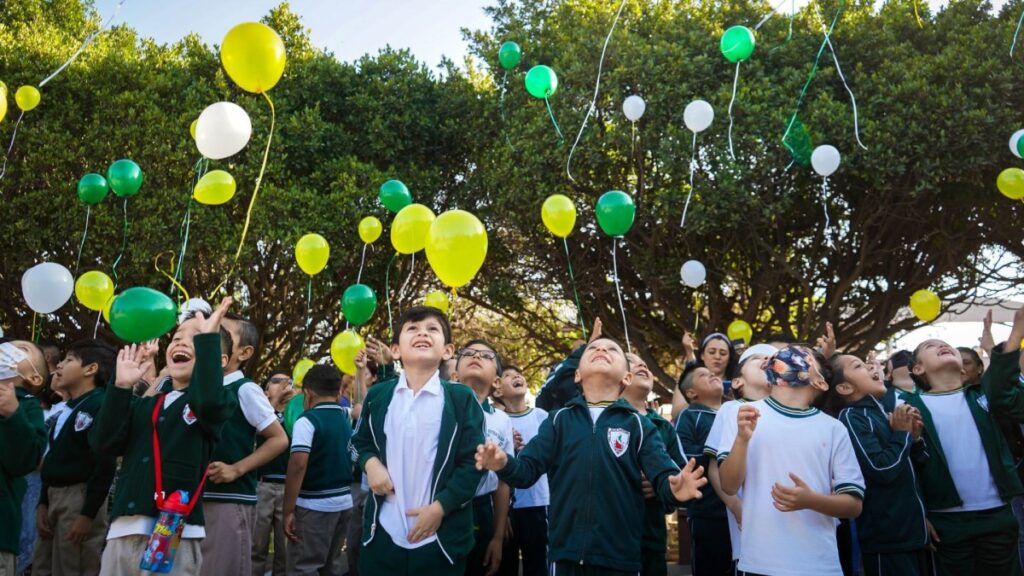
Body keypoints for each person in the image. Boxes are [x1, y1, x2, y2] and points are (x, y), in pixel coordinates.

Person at [475, 336, 707, 575]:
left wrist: (675, 489)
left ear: (626, 378)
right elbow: (526, 471)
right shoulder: (558, 420)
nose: (601, 349)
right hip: (565, 555)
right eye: (593, 348)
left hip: (621, 557)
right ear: (577, 375)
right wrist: (503, 462)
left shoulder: (640, 425)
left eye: (611, 350)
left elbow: (662, 475)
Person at [90, 297, 237, 576]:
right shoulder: (146, 404)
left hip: (176, 531)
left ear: (217, 359)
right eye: (177, 337)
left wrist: (208, 342)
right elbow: (103, 441)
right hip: (122, 530)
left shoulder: (215, 402)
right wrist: (120, 387)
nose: (181, 342)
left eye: (196, 338)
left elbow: (208, 400)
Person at [352, 306, 485, 576]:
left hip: (441, 540)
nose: (422, 333)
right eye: (412, 328)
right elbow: (357, 443)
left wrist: (441, 507)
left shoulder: (461, 399)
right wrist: (370, 464)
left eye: (432, 329)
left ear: (447, 351)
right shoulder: (378, 396)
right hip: (382, 535)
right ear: (396, 350)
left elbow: (474, 463)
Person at [718, 345, 864, 576]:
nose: (790, 352)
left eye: (804, 353)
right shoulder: (743, 415)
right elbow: (728, 485)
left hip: (820, 565)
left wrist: (810, 500)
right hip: (758, 563)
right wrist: (742, 440)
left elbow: (854, 505)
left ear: (820, 382)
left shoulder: (834, 428)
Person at [899, 308, 1024, 576]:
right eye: (932, 346)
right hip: (946, 520)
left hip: (997, 513)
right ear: (918, 368)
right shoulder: (907, 405)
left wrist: (1013, 336)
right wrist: (919, 513)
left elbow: (1006, 392)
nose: (943, 346)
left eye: (948, 345)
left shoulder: (984, 396)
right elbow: (906, 468)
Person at [202, 314, 289, 576]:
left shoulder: (244, 389)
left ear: (243, 352)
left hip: (229, 499)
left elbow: (279, 438)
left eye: (223, 333)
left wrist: (237, 469)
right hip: (192, 499)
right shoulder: (198, 387)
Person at [829, 354, 930, 576]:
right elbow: (881, 470)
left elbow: (915, 469)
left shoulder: (885, 414)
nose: (871, 367)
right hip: (888, 540)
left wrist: (915, 440)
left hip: (914, 534)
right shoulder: (852, 417)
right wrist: (902, 434)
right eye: (858, 366)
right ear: (845, 387)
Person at [33, 339, 118, 576]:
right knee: (43, 565)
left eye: (69, 359)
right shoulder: (66, 408)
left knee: (72, 566)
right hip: (53, 496)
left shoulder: (100, 404)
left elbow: (105, 462)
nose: (59, 364)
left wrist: (87, 514)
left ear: (90, 369)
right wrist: (43, 501)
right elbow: (53, 458)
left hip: (79, 497)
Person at [703, 343, 776, 574]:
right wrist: (736, 506)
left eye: (773, 359)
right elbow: (715, 467)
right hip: (752, 527)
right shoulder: (731, 409)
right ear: (737, 381)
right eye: (759, 359)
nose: (768, 360)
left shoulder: (795, 410)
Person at [282, 364, 353, 576]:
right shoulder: (345, 415)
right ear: (339, 391)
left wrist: (288, 510)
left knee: (303, 567)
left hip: (314, 506)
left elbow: (298, 465)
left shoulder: (307, 420)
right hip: (344, 503)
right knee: (329, 567)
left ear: (308, 393)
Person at [451, 340, 513, 576]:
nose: (476, 356)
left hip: (481, 508)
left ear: (497, 382)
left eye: (486, 356)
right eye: (467, 353)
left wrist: (498, 536)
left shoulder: (502, 420)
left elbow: (503, 480)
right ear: (455, 375)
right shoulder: (438, 408)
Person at [623, 352, 685, 576]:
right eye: (630, 362)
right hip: (610, 539)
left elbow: (680, 473)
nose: (641, 364)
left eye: (645, 363)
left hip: (652, 536)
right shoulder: (603, 418)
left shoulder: (664, 427)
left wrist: (661, 486)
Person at [493, 365, 549, 576]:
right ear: (497, 389)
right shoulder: (498, 421)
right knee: (506, 565)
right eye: (507, 376)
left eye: (518, 374)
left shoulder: (542, 417)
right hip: (506, 510)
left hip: (538, 503)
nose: (516, 376)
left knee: (538, 564)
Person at [675, 365, 730, 576]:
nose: (713, 374)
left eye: (712, 373)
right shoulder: (690, 415)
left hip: (741, 510)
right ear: (691, 393)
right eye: (703, 375)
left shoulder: (733, 411)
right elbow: (684, 458)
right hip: (708, 512)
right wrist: (720, 451)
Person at [0, 339, 48, 575]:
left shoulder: (28, 406)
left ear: (34, 378)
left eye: (21, 350)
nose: (6, 350)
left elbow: (24, 461)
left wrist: (12, 414)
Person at [252, 370, 295, 576]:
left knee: (285, 550)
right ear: (266, 391)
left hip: (289, 488)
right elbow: (260, 430)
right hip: (262, 486)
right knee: (256, 547)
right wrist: (275, 401)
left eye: (289, 381)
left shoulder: (295, 415)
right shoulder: (259, 411)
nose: (285, 384)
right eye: (278, 381)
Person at [672, 333, 737, 420]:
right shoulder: (688, 379)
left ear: (729, 358)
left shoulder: (738, 382)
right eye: (712, 352)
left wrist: (733, 404)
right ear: (702, 355)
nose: (717, 357)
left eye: (723, 353)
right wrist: (706, 400)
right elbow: (676, 413)